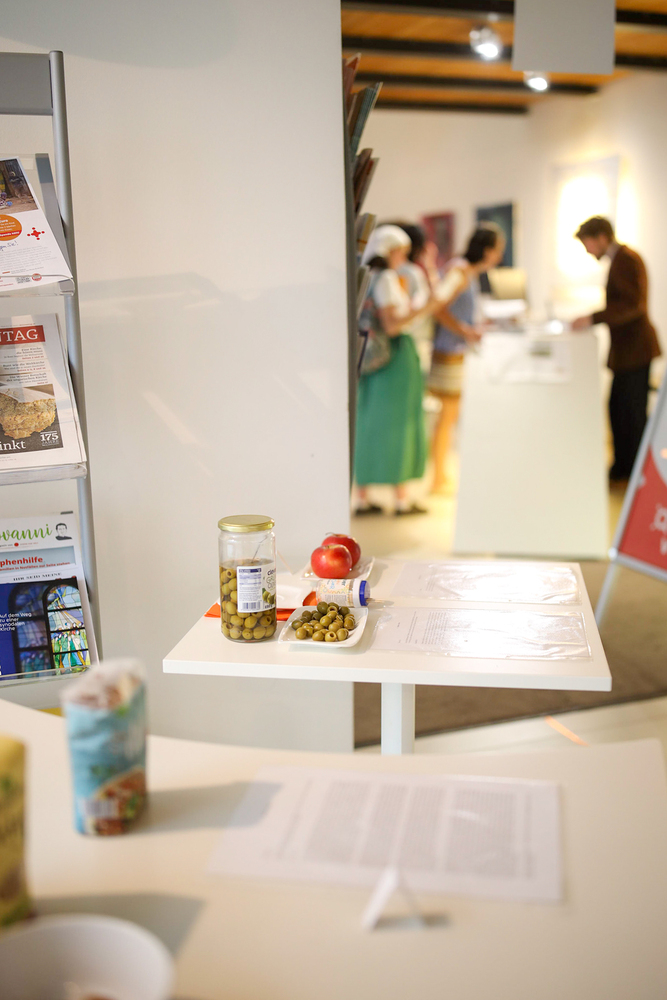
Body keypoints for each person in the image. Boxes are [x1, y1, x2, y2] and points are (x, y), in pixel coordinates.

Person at [355, 225, 437, 515]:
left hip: (368, 359)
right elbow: (392, 325)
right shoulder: (387, 278)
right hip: (394, 358)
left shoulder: (365, 276)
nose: (404, 258)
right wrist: (424, 307)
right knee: (399, 425)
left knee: (368, 423)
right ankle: (401, 499)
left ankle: (362, 497)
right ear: (391, 251)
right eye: (401, 252)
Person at [572, 216, 661, 481]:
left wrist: (593, 318)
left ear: (601, 237)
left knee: (631, 415)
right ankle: (623, 470)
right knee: (619, 410)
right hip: (627, 352)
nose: (588, 251)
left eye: (588, 244)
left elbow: (633, 305)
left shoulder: (627, 259)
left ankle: (635, 475)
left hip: (635, 351)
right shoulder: (621, 259)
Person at [428, 223, 505, 494]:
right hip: (448, 352)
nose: (499, 256)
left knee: (451, 416)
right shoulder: (459, 271)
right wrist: (465, 330)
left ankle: (442, 475)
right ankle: (438, 478)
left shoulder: (468, 273)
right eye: (498, 250)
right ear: (487, 250)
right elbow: (438, 308)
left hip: (457, 350)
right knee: (447, 416)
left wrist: (473, 328)